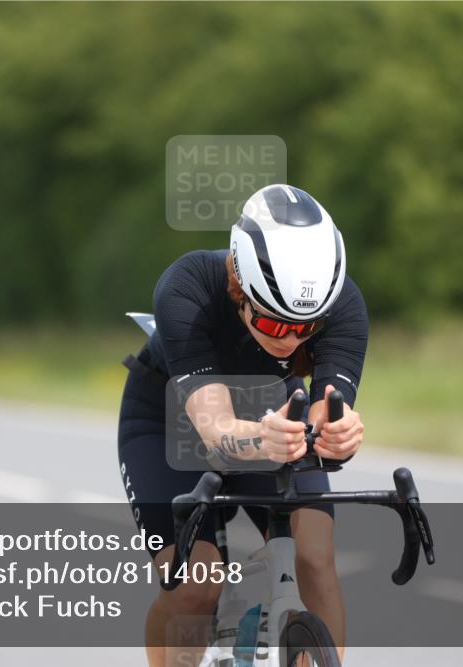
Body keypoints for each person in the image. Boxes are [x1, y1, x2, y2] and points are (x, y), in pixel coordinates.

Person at [118, 184, 368, 666]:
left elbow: (325, 412)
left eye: (307, 328)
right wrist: (264, 438)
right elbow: (215, 430)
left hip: (270, 415)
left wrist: (337, 433)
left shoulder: (344, 305)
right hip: (168, 421)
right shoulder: (188, 286)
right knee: (195, 585)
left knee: (315, 554)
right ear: (240, 289)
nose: (292, 338)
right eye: (276, 325)